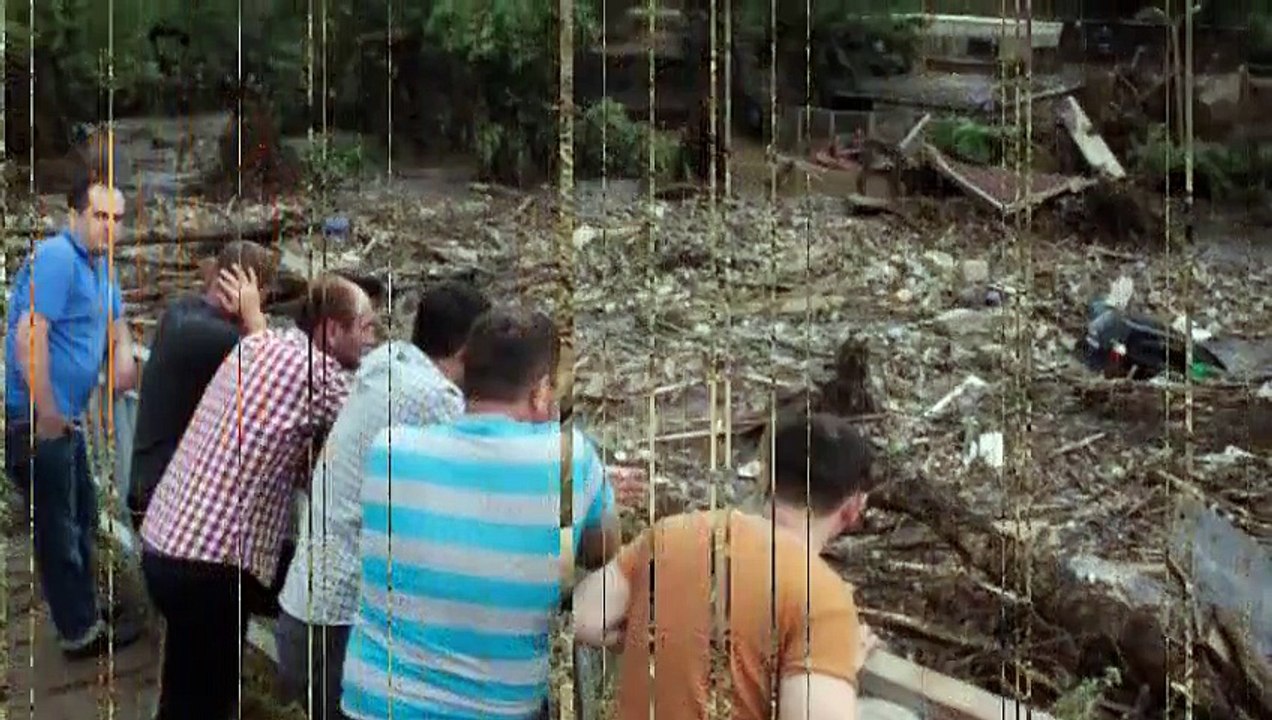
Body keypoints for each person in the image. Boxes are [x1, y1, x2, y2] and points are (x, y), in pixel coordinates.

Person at [341, 306, 622, 720]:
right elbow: (603, 552)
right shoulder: (569, 459)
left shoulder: (389, 449)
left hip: (372, 707)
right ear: (542, 391)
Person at [139, 273, 376, 720]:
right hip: (213, 565)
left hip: (166, 541)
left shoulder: (257, 345)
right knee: (208, 697)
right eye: (364, 326)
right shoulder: (323, 376)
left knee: (187, 684)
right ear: (330, 330)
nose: (371, 339)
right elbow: (375, 431)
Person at [571, 412, 897, 720]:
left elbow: (584, 617)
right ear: (854, 507)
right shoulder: (821, 596)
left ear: (766, 476)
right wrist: (838, 666)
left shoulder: (671, 534)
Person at [275, 280, 491, 720]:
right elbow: (489, 477)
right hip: (337, 624)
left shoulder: (389, 364)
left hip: (305, 606)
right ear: (468, 350)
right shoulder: (435, 399)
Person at [3, 175, 142, 659]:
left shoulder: (100, 269)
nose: (110, 228)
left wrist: (123, 354)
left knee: (81, 515)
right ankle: (79, 633)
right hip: (40, 421)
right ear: (75, 217)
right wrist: (47, 414)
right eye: (100, 216)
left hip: (66, 420)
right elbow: (28, 338)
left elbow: (116, 323)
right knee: (60, 529)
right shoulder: (59, 259)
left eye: (117, 219)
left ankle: (85, 613)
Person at [127, 240, 276, 530]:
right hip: (167, 504)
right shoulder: (215, 338)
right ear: (248, 289)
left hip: (153, 487)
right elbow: (273, 369)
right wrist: (256, 321)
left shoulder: (183, 311)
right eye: (263, 296)